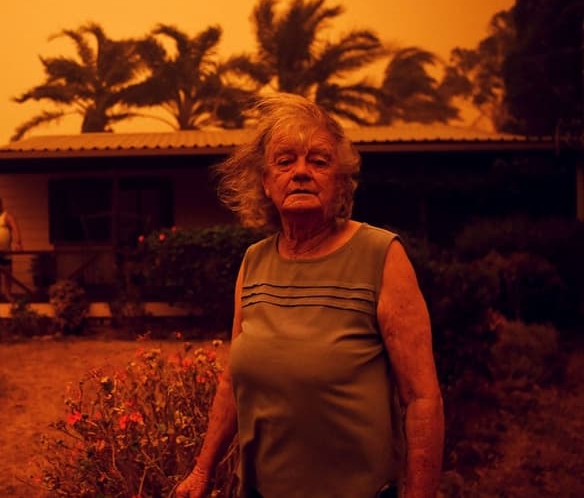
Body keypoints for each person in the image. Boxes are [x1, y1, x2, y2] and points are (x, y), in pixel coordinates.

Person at [175, 93, 443, 498]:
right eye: (285, 161)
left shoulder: (380, 255)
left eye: (318, 161)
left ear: (340, 182)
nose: (301, 172)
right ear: (266, 182)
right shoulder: (254, 262)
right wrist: (202, 470)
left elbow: (422, 398)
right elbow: (232, 380)